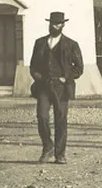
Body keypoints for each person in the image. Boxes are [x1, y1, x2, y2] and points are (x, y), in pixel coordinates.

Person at [28, 11, 85, 164]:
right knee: (42, 116)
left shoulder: (71, 44)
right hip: (43, 86)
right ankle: (47, 147)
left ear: (63, 25)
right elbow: (33, 66)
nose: (54, 26)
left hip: (62, 87)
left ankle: (60, 154)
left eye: (57, 24)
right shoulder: (40, 43)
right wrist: (39, 79)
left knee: (61, 119)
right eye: (52, 23)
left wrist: (64, 78)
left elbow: (79, 68)